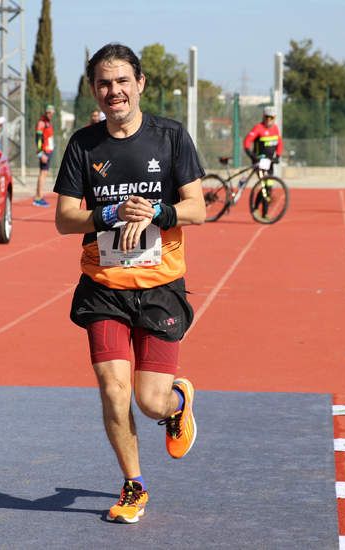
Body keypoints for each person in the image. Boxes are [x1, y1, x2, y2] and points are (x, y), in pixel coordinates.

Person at [53, 43, 205, 525]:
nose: (113, 91)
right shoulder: (84, 145)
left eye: (121, 81)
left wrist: (158, 211)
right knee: (113, 390)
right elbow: (63, 219)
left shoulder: (171, 137)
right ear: (94, 92)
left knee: (148, 399)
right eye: (103, 83)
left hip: (160, 285)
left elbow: (198, 209)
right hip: (103, 286)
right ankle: (134, 484)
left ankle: (176, 402)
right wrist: (110, 213)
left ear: (139, 84)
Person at [243, 105, 283, 220]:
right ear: (263, 117)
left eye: (271, 118)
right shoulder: (258, 128)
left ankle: (258, 210)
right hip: (260, 163)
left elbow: (279, 143)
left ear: (274, 118)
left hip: (269, 163)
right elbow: (246, 142)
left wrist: (278, 156)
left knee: (268, 187)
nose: (268, 120)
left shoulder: (275, 129)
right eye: (266, 117)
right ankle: (261, 212)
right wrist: (253, 156)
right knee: (265, 187)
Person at [33, 104, 55, 206]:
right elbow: (38, 138)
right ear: (45, 112)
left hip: (49, 151)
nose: (50, 114)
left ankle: (39, 196)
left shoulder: (48, 122)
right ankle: (38, 197)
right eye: (48, 112)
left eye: (51, 112)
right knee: (42, 173)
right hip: (44, 152)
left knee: (44, 173)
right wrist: (40, 153)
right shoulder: (41, 123)